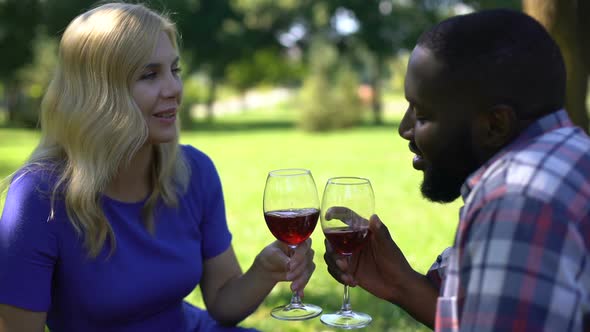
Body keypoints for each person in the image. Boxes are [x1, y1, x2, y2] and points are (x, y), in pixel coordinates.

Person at [0, 2, 315, 331]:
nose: (174, 89)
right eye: (149, 75)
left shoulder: (194, 172)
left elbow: (223, 303)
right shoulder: (39, 197)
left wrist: (264, 271)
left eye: (174, 70)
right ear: (97, 92)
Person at [324, 8, 590, 331]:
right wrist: (401, 283)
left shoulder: (517, 201)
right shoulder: (569, 156)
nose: (404, 129)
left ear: (494, 125)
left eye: (422, 116)